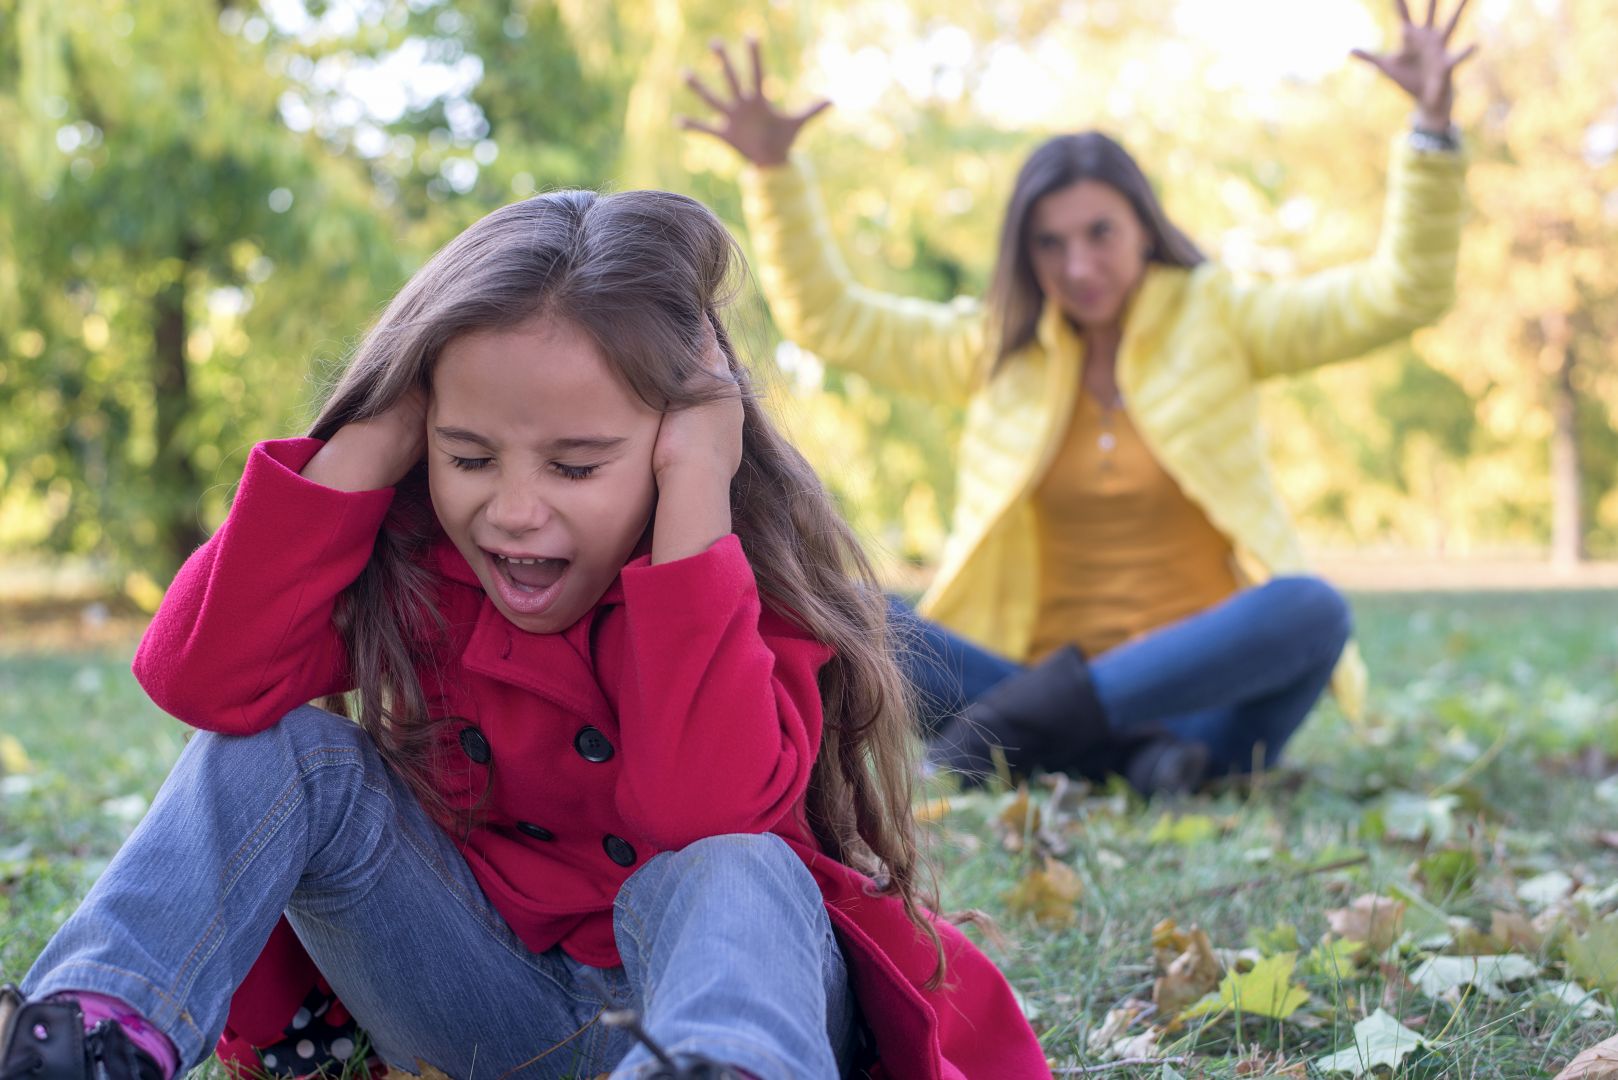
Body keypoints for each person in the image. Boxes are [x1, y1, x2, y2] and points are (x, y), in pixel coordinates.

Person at [0, 190, 1049, 1079]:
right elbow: (205, 679)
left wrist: (694, 504)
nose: (512, 509)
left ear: (681, 440)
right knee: (282, 751)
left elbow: (701, 811)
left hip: (721, 1005)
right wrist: (374, 431)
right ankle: (94, 1034)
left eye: (574, 466)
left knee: (735, 864)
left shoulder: (735, 586)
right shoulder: (416, 569)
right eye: (470, 455)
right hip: (483, 1002)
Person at [681, 0, 1474, 794]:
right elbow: (835, 321)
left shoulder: (1221, 316)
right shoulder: (997, 346)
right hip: (1017, 684)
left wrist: (1431, 135)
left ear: (1143, 225)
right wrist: (774, 172)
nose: (1079, 265)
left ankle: (1040, 745)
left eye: (1101, 233)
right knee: (845, 604)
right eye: (1051, 243)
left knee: (1312, 610)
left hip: (1198, 708)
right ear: (1025, 253)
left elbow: (1400, 294)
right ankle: (1116, 760)